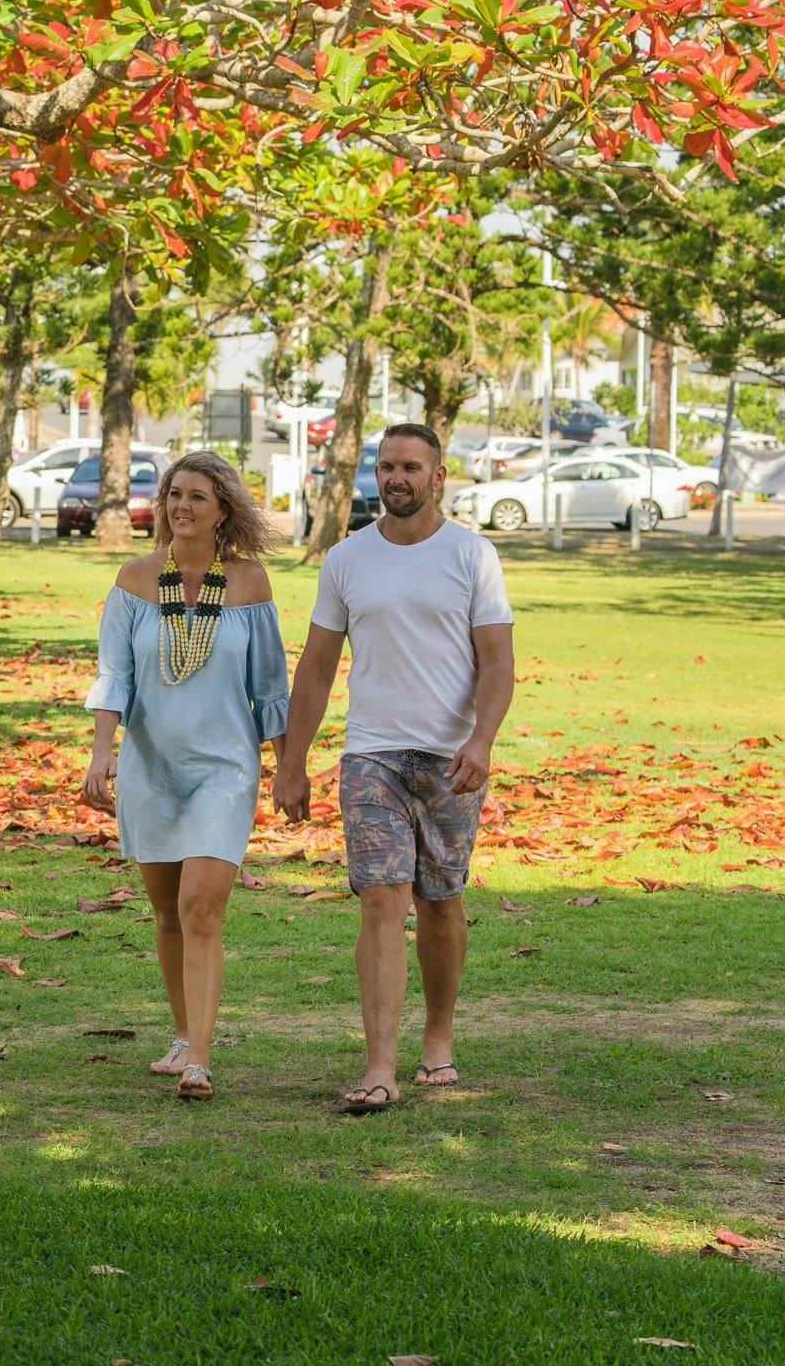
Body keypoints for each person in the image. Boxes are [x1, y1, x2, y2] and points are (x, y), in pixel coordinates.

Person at [277, 424, 515, 1113]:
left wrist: (481, 741)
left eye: (410, 467)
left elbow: (497, 661)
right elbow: (317, 667)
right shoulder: (347, 559)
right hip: (371, 755)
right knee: (381, 898)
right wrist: (292, 762)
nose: (395, 478)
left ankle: (437, 1036)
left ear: (438, 477)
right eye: (386, 467)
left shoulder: (471, 554)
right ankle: (379, 1066)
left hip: (450, 758)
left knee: (440, 901)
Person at [82, 450, 290, 1101]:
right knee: (168, 912)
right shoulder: (135, 580)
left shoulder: (249, 583)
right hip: (150, 767)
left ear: (223, 508)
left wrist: (289, 769)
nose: (182, 506)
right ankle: (180, 1033)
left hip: (224, 768)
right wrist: (102, 751)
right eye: (174, 494)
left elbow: (270, 688)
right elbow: (114, 674)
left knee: (201, 907)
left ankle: (199, 1058)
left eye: (197, 496)